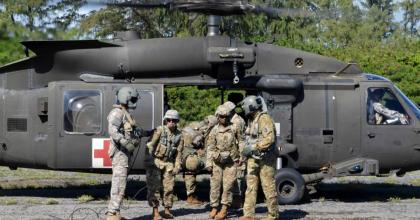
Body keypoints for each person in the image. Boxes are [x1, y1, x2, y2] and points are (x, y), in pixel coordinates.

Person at [106, 87, 144, 220]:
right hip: (119, 154)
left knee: (120, 183)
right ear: (126, 98)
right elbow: (112, 130)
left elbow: (131, 131)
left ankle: (116, 213)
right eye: (133, 99)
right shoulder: (117, 113)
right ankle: (112, 214)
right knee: (119, 183)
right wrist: (124, 142)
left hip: (124, 154)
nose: (134, 102)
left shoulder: (126, 113)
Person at [239, 95, 279, 220]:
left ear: (250, 106)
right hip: (253, 158)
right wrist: (245, 154)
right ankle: (248, 215)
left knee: (268, 186)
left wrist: (253, 147)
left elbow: (269, 139)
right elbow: (249, 139)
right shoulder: (252, 120)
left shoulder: (264, 119)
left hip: (266, 159)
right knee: (250, 187)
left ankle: (273, 215)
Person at [206, 105, 244, 220]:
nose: (224, 119)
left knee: (228, 186)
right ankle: (214, 207)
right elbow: (210, 147)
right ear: (218, 117)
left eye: (226, 116)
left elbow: (241, 141)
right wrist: (208, 163)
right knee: (215, 185)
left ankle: (224, 209)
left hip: (231, 161)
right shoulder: (214, 130)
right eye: (222, 116)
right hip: (217, 161)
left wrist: (242, 157)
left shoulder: (234, 127)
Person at [146, 110, 183, 220]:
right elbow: (150, 146)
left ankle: (167, 210)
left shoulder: (179, 135)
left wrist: (177, 166)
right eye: (169, 120)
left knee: (169, 188)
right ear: (165, 120)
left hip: (169, 163)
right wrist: (149, 162)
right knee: (155, 188)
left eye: (174, 120)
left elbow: (179, 152)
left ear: (177, 121)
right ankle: (155, 212)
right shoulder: (160, 131)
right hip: (156, 161)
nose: (171, 122)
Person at [180, 115, 217, 205]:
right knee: (192, 163)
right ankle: (191, 196)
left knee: (192, 162)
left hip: (182, 156)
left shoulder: (194, 125)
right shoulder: (205, 130)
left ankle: (191, 195)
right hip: (186, 157)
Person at [223, 99, 246, 208]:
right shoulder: (231, 119)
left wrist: (241, 156)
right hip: (232, 152)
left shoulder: (237, 121)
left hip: (237, 152)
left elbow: (241, 140)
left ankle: (238, 200)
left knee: (238, 177)